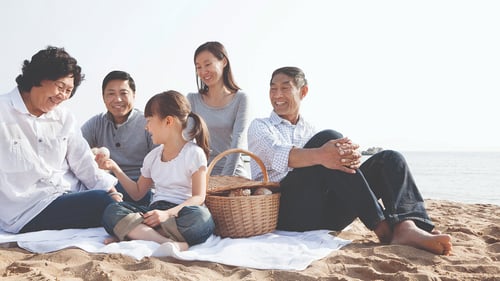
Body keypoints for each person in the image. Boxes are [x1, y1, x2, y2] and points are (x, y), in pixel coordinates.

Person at [247, 66, 453, 255]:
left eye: (285, 88)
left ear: (303, 92)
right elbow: (280, 155)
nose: (277, 95)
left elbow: (334, 167)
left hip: (325, 213)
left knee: (390, 159)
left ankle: (408, 226)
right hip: (285, 211)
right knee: (329, 139)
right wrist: (325, 154)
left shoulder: (310, 129)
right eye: (273, 89)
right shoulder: (261, 126)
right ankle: (384, 229)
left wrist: (349, 157)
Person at [0, 46, 121, 234]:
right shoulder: (3, 111)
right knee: (102, 202)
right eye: (60, 87)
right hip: (29, 208)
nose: (63, 96)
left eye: (69, 91)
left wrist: (111, 190)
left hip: (69, 193)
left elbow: (83, 161)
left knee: (131, 192)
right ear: (38, 77)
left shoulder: (64, 117)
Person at [100, 90, 215, 251]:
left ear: (168, 121)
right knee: (112, 211)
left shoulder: (194, 153)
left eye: (149, 121)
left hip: (181, 212)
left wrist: (167, 214)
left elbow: (198, 197)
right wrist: (115, 168)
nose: (146, 127)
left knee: (202, 219)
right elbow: (138, 193)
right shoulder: (152, 157)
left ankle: (135, 233)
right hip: (154, 211)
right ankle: (164, 242)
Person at [81, 70, 155, 205]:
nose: (117, 99)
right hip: (109, 188)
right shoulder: (96, 123)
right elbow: (75, 149)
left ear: (134, 95)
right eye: (111, 94)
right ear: (103, 97)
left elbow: (162, 163)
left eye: (123, 93)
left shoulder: (148, 123)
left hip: (142, 191)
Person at [187, 41, 250, 177]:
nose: (203, 72)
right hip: (202, 172)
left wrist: (223, 181)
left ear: (224, 62)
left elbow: (237, 144)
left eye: (208, 64)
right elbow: (186, 139)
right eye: (198, 67)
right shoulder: (192, 99)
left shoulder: (241, 99)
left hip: (233, 174)